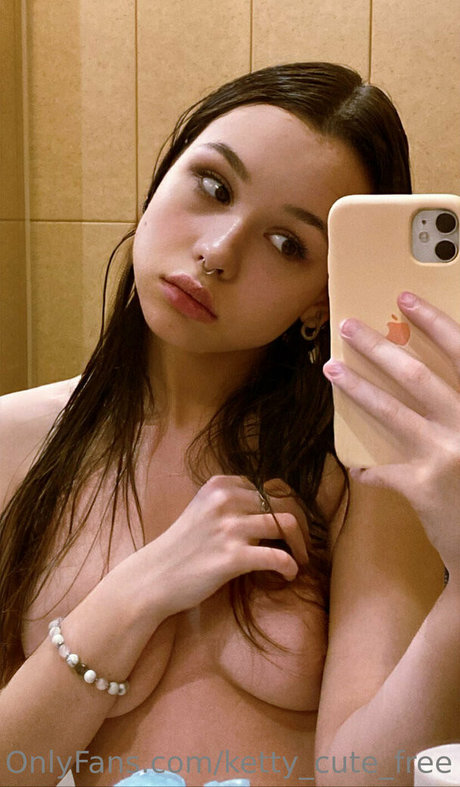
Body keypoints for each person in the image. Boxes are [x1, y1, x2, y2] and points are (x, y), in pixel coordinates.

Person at [0, 62, 458, 787]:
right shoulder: (16, 442)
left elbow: (364, 779)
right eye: (213, 187)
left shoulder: (362, 471)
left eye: (288, 244)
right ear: (161, 180)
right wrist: (134, 593)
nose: (217, 253)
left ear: (320, 299)